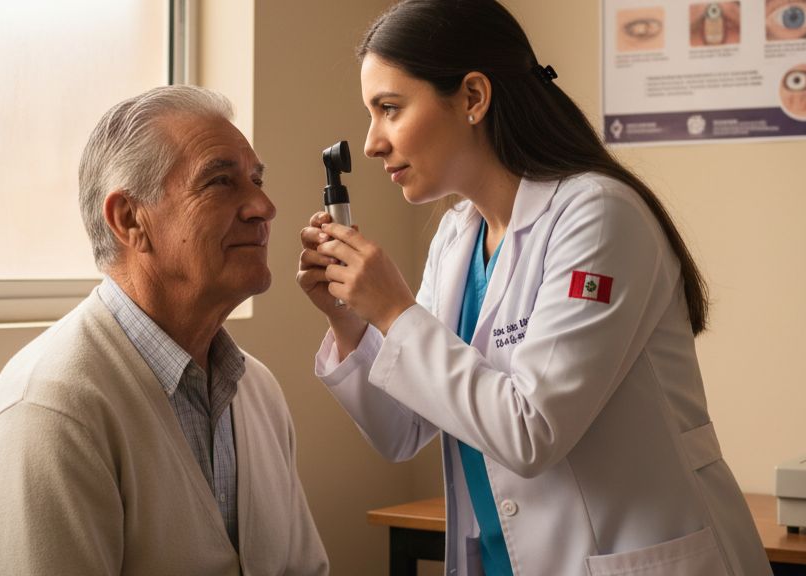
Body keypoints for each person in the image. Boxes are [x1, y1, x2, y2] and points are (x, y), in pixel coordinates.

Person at [296, 1, 772, 574]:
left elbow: (532, 432)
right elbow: (403, 429)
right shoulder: (457, 238)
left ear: (473, 97)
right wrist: (351, 319)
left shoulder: (597, 215)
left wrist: (395, 310)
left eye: (390, 109)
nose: (372, 142)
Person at [0, 85, 329, 576]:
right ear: (130, 219)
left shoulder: (257, 391)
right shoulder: (51, 412)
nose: (263, 206)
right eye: (221, 181)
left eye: (257, 180)